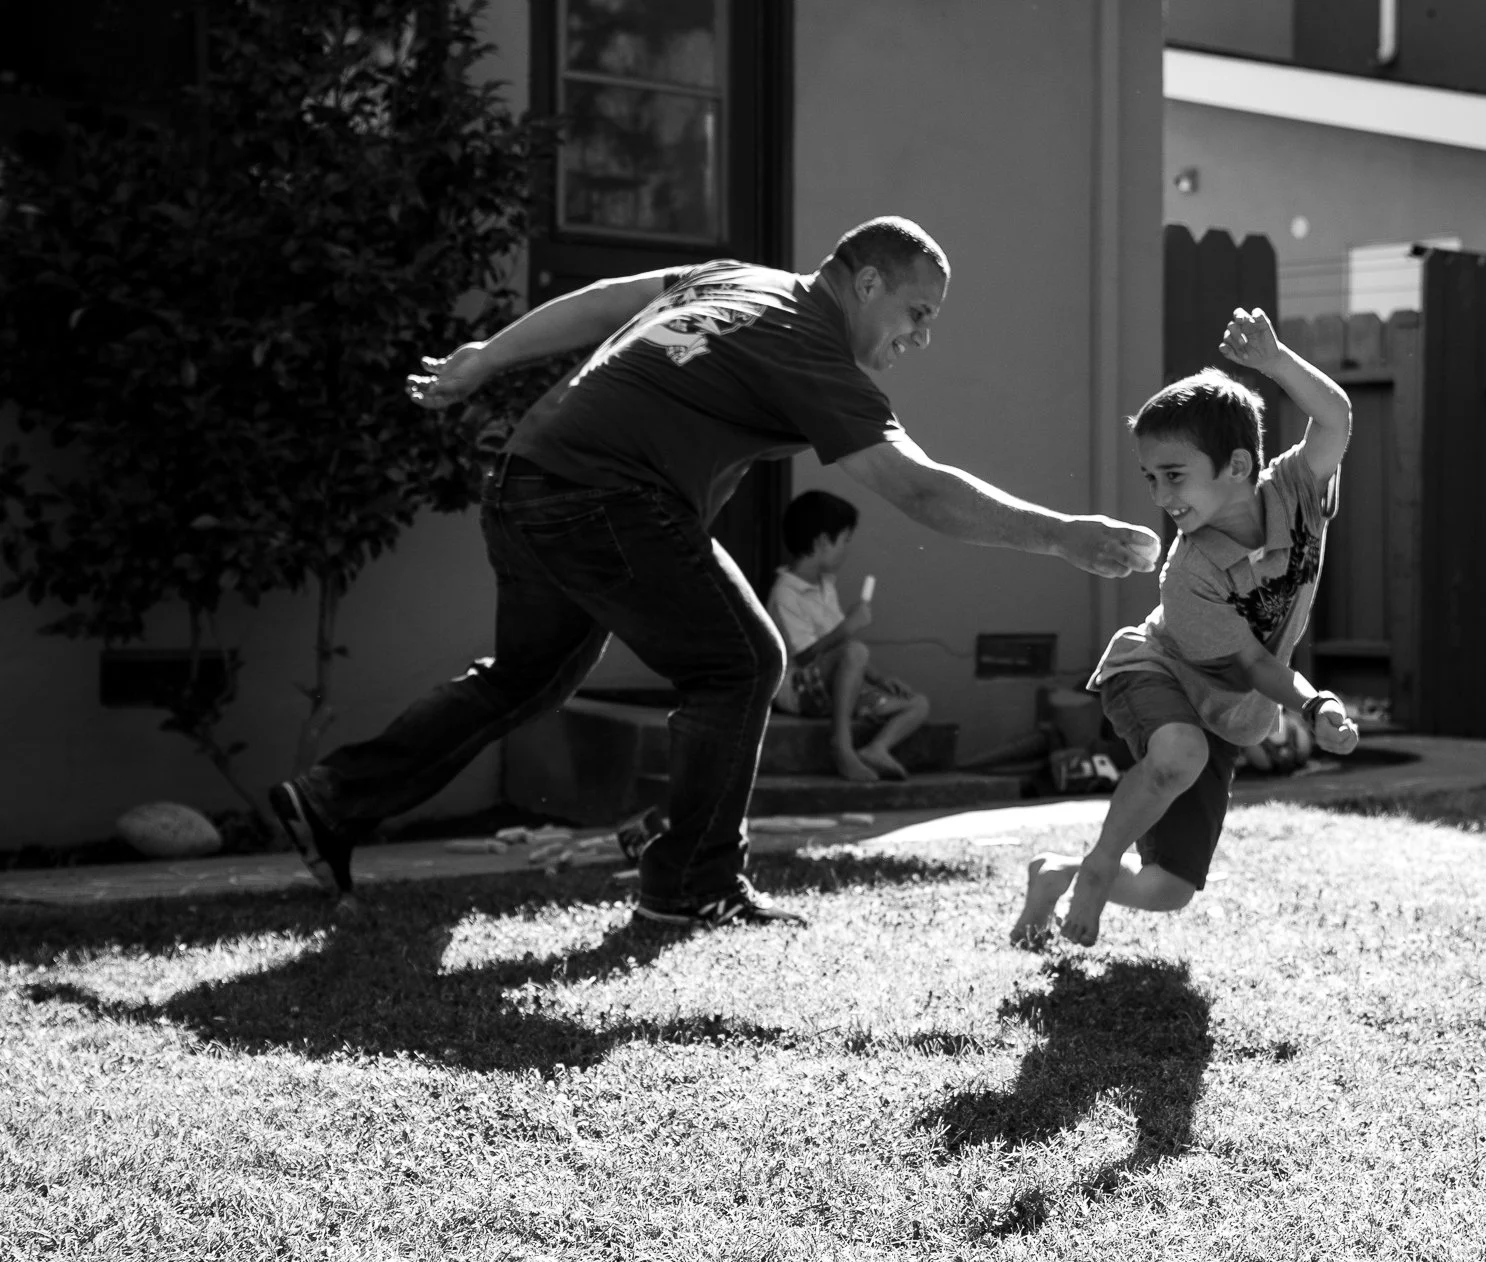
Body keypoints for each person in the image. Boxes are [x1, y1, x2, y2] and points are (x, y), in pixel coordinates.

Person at [267, 216, 1160, 929]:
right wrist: (1063, 537)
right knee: (740, 660)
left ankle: (332, 799)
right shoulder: (814, 350)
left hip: (528, 477)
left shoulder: (738, 279)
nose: (922, 336)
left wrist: (485, 360)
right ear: (867, 283)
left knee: (524, 679)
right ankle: (688, 883)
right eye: (918, 312)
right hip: (604, 499)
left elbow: (604, 301)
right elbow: (919, 492)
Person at [1010, 307, 1362, 949]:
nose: (1160, 495)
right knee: (1179, 753)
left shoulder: (1295, 492)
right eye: (1150, 477)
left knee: (1168, 890)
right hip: (1154, 669)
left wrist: (1275, 361)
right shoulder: (1189, 570)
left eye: (1173, 475)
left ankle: (1055, 874)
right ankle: (1096, 863)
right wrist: (1314, 703)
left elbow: (1335, 416)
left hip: (1226, 712)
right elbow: (1255, 666)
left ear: (1234, 465)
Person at [766, 490, 931, 783]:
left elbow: (845, 651)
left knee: (917, 704)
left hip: (831, 691)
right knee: (854, 648)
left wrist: (879, 679)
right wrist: (848, 627)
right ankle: (842, 746)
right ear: (822, 542)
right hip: (800, 692)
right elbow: (806, 656)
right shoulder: (785, 593)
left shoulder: (825, 587)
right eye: (845, 541)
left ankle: (876, 749)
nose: (847, 549)